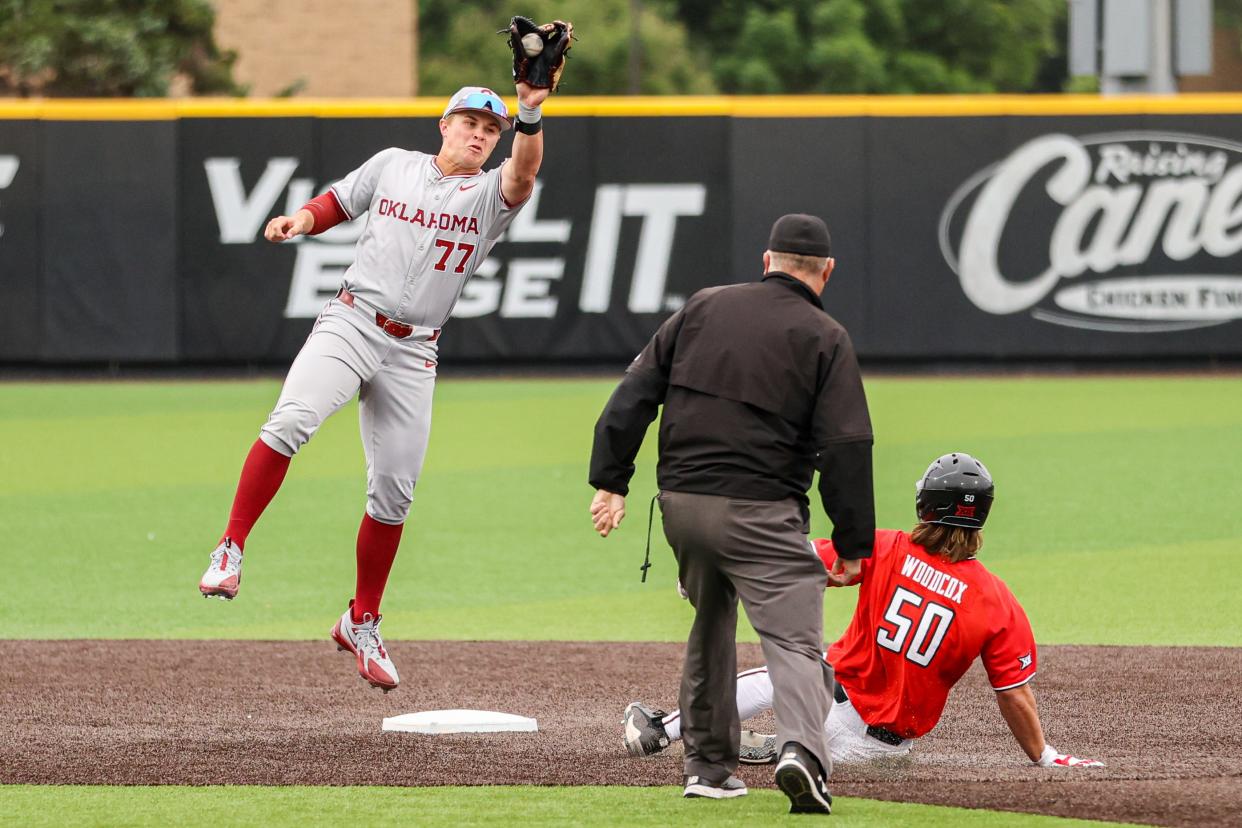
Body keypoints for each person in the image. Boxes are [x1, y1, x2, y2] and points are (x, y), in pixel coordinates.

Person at [197, 78, 553, 693]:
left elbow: (523, 174)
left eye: (490, 130)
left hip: (415, 348)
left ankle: (361, 619)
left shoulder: (490, 193)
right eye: (469, 122)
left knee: (394, 493)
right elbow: (339, 200)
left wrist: (529, 111)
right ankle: (230, 548)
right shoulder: (394, 165)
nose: (479, 134)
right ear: (444, 125)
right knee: (290, 421)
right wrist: (300, 221)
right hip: (354, 319)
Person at [589, 214, 875, 815]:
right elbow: (847, 447)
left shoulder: (701, 307)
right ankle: (802, 754)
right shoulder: (825, 335)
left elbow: (634, 394)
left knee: (711, 624)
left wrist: (611, 482)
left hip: (682, 508)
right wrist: (853, 542)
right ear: (827, 272)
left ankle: (708, 768)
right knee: (795, 644)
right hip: (762, 512)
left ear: (766, 260)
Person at [622, 453, 1105, 770]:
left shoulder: (888, 548)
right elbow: (1014, 695)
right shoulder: (999, 600)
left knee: (788, 670)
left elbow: (794, 561)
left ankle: (662, 731)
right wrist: (1044, 756)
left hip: (835, 705)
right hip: (886, 753)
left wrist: (717, 568)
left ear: (925, 505)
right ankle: (798, 745)